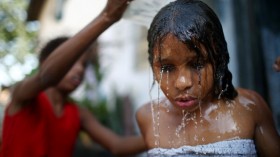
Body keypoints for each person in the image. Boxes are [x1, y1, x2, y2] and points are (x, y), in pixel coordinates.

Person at [0, 0, 146, 157]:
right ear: (46, 62)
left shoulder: (78, 113)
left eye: (84, 64)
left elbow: (117, 145)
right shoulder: (23, 95)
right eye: (72, 63)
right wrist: (107, 17)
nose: (80, 69)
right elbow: (46, 76)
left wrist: (162, 136)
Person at [136, 0, 280, 156]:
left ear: (218, 59)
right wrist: (106, 18)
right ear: (152, 66)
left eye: (197, 64)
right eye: (167, 68)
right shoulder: (148, 117)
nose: (182, 82)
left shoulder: (249, 108)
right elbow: (117, 147)